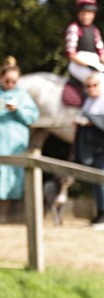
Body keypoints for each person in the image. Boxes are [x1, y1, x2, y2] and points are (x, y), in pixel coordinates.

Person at [74, 71, 104, 230]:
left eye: (94, 85)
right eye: (88, 86)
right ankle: (99, 213)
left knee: (102, 179)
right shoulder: (88, 101)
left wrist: (93, 122)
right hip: (91, 145)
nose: (91, 88)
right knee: (95, 180)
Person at [0, 58, 40, 223]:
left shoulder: (23, 96)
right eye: (7, 80)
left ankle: (4, 216)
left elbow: (32, 117)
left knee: (11, 178)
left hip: (15, 143)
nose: (10, 84)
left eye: (13, 81)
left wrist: (17, 110)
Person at [64, 0, 104, 106]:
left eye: (89, 13)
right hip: (78, 64)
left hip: (94, 63)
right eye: (83, 13)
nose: (86, 16)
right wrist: (87, 65)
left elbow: (103, 54)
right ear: (78, 13)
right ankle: (91, 113)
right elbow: (70, 54)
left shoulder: (95, 30)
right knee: (100, 84)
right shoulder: (74, 28)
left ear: (93, 14)